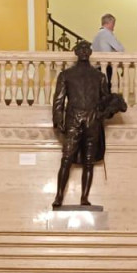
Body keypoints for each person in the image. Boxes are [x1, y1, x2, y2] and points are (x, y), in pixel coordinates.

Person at [52, 41, 110, 208]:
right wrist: (58, 120)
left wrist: (109, 108)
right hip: (73, 119)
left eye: (87, 49)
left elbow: (104, 101)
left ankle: (84, 197)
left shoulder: (99, 76)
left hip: (92, 120)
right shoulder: (66, 75)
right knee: (66, 158)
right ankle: (59, 196)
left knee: (89, 161)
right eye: (81, 49)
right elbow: (59, 101)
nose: (84, 51)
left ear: (90, 52)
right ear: (76, 52)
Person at [91, 13, 124, 92]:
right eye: (113, 24)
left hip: (96, 68)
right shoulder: (107, 33)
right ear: (109, 23)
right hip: (106, 67)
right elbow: (120, 49)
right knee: (109, 91)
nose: (114, 27)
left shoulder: (97, 35)